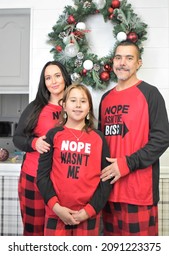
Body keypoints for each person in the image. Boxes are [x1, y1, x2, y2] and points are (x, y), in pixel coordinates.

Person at [98, 40, 169, 236]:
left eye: (129, 58)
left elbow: (162, 139)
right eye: (119, 57)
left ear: (139, 63)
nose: (123, 63)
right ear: (113, 62)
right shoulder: (105, 99)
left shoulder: (150, 94)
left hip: (138, 194)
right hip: (108, 192)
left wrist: (127, 164)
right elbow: (99, 143)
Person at [36, 84, 112, 236]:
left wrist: (88, 211)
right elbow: (42, 177)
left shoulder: (99, 138)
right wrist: (56, 207)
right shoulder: (53, 135)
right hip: (56, 212)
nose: (78, 105)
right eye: (73, 100)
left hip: (87, 215)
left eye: (83, 101)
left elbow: (106, 179)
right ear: (64, 105)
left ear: (89, 106)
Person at [13, 61, 72, 236]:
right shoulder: (36, 107)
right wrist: (34, 143)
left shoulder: (76, 105)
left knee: (58, 234)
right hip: (33, 179)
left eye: (57, 75)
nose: (53, 81)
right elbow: (18, 138)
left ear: (65, 77)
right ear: (43, 82)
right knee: (34, 232)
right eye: (48, 77)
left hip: (63, 181)